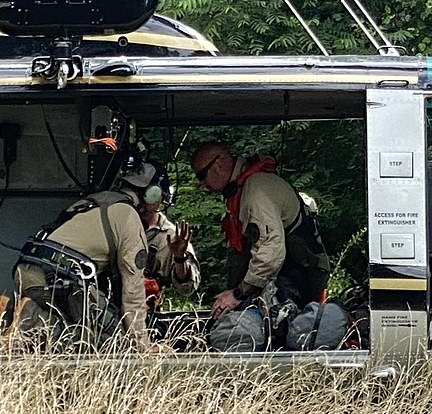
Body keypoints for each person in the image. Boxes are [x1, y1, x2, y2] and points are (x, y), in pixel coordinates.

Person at [11, 163, 164, 353]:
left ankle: (35, 316)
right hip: (64, 277)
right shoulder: (128, 217)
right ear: (152, 193)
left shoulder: (92, 202)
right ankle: (34, 317)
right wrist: (142, 345)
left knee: (70, 329)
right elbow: (133, 289)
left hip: (29, 270)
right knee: (115, 344)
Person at [190, 143, 330, 323]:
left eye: (202, 175)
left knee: (240, 332)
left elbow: (269, 253)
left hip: (296, 287)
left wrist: (237, 294)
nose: (202, 184)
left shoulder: (256, 190)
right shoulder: (245, 189)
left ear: (220, 163)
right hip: (292, 283)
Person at [121, 162, 200, 309]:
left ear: (155, 195)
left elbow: (187, 288)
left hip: (144, 316)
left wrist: (179, 258)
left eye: (140, 191)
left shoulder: (169, 237)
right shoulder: (117, 225)